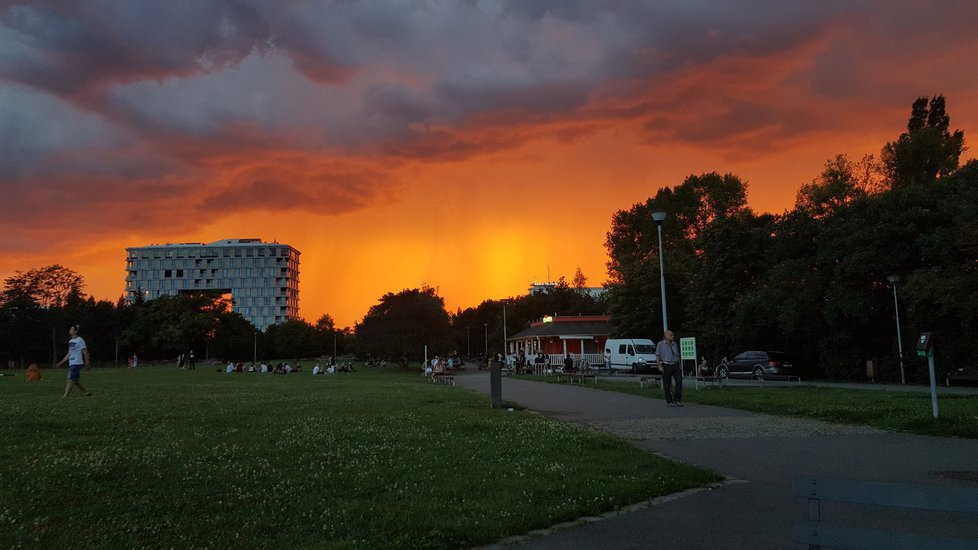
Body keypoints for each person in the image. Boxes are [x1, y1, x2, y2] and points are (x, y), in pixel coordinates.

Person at [56, 325, 91, 397]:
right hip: (72, 362)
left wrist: (87, 364)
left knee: (70, 379)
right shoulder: (70, 341)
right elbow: (69, 354)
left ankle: (64, 397)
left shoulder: (80, 340)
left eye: (71, 329)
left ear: (75, 331)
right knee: (75, 381)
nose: (70, 330)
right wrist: (61, 363)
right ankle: (86, 392)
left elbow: (85, 352)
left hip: (77, 362)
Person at [656, 329, 682, 407]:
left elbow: (677, 355)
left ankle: (677, 399)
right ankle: (669, 401)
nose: (673, 337)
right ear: (666, 336)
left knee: (679, 381)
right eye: (671, 335)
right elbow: (657, 355)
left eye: (673, 335)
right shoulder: (660, 344)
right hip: (666, 364)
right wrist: (659, 366)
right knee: (667, 384)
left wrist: (679, 364)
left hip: (675, 364)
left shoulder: (674, 344)